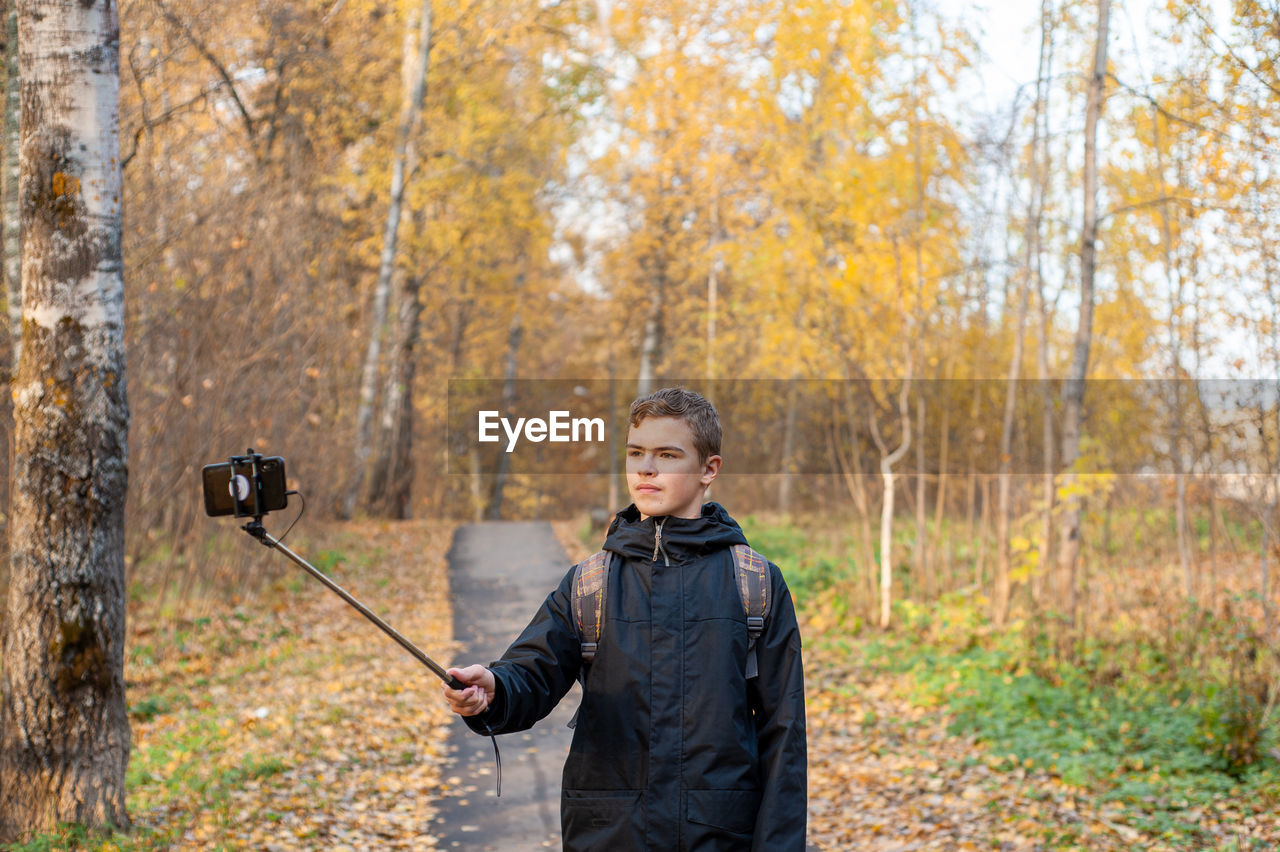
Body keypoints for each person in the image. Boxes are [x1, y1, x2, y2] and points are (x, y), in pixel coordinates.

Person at [442, 387, 807, 851]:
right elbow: (530, 674)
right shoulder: (590, 583)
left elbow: (785, 736)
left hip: (718, 836)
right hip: (609, 834)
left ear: (708, 470)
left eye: (667, 454)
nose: (646, 468)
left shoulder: (755, 584)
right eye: (636, 453)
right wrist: (492, 691)